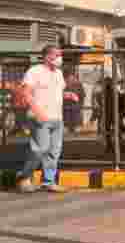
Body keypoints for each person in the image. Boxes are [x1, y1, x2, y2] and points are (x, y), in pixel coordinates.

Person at [14, 45, 79, 193]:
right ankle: (24, 177)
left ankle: (48, 181)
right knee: (40, 149)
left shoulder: (58, 74)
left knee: (53, 151)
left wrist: (68, 95)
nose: (60, 58)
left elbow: (56, 92)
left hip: (57, 118)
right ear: (47, 56)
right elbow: (26, 93)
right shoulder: (34, 72)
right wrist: (38, 112)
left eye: (60, 55)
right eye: (57, 55)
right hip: (40, 117)